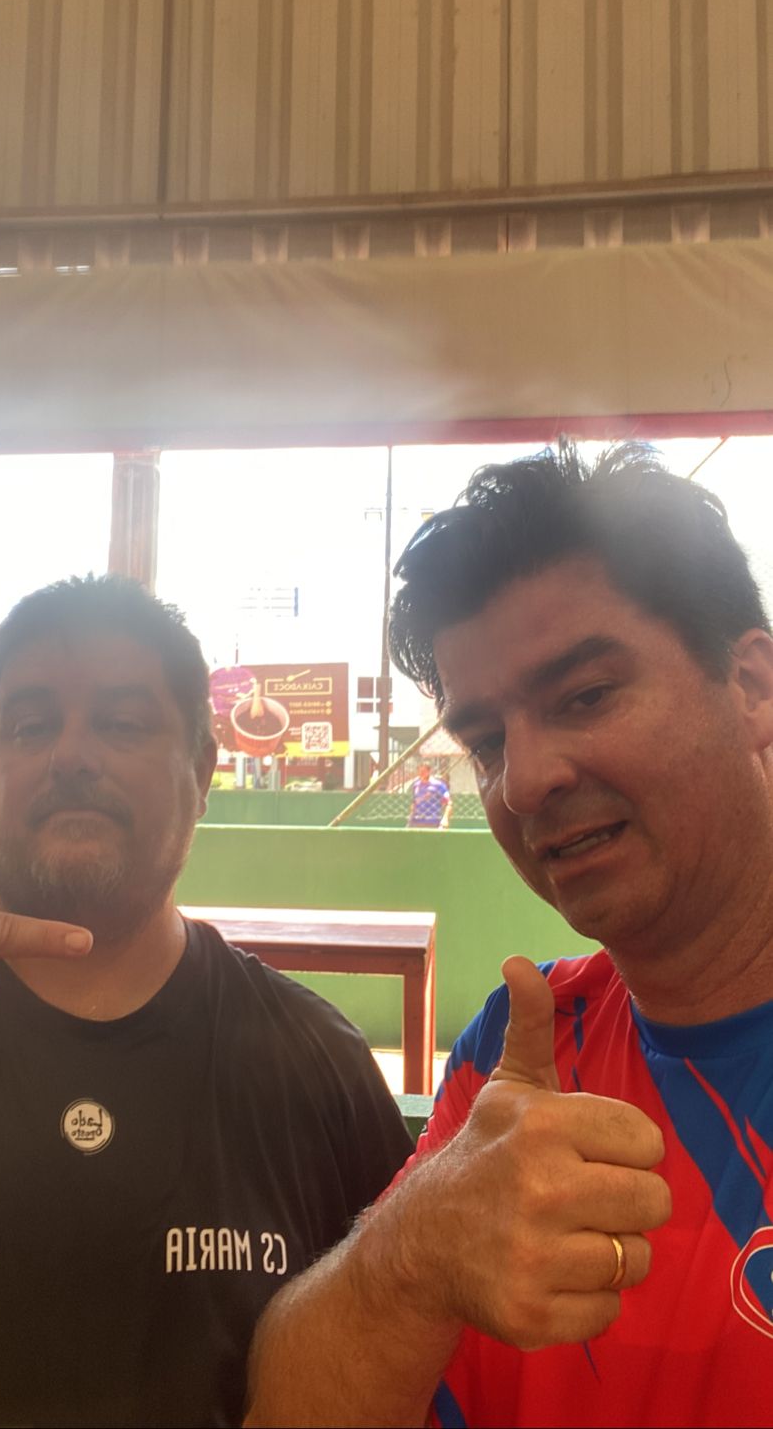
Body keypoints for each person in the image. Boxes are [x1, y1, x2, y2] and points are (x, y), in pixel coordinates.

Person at [247, 440, 773, 1429]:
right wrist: (413, 1254)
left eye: (586, 696)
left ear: (750, 685)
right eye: (486, 741)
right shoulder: (516, 1057)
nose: (524, 781)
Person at [0, 575, 411, 1428]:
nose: (71, 755)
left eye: (121, 724)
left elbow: (401, 1363)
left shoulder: (316, 1065)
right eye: (30, 727)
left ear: (202, 771)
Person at [406, 759, 452, 828]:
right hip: (416, 822)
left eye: (423, 771)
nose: (421, 773)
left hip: (433, 822)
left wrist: (445, 819)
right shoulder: (416, 785)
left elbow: (449, 803)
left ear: (429, 771)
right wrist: (410, 818)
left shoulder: (438, 785)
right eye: (419, 771)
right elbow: (414, 803)